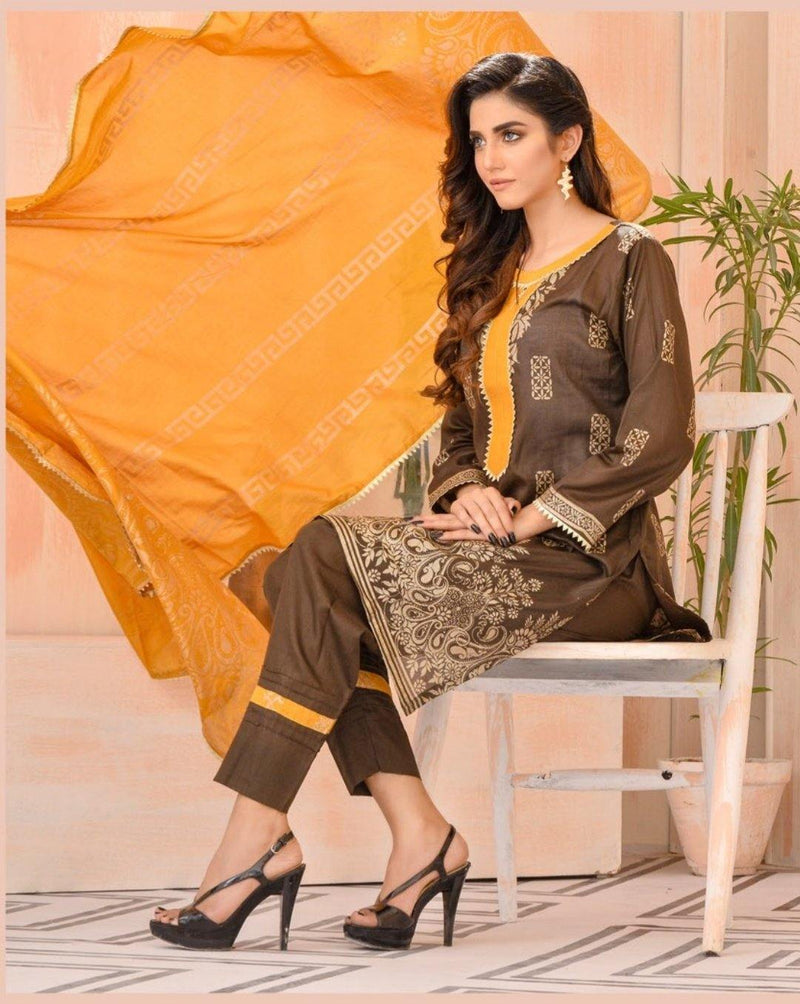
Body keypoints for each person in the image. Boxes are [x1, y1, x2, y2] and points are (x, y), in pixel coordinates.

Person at [149, 52, 711, 952]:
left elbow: (663, 428)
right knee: (305, 580)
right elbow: (457, 428)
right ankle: (417, 835)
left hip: (595, 568)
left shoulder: (629, 259)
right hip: (495, 551)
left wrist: (533, 516)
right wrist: (470, 491)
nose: (492, 158)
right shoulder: (493, 270)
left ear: (568, 140)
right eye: (479, 140)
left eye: (512, 134)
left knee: (313, 567)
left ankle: (265, 843)